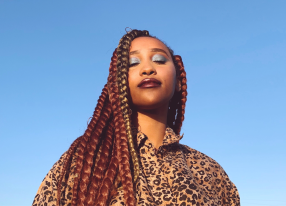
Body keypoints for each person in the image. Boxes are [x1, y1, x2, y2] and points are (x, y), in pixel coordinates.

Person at [32, 29, 240, 206]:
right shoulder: (82, 162)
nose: (147, 68)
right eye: (132, 63)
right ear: (118, 84)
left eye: (159, 60)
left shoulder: (211, 171)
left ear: (178, 81)